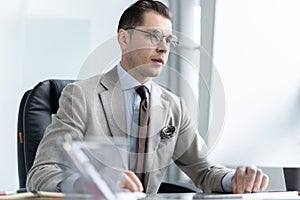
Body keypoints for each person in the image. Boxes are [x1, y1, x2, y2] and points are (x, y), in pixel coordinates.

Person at [26, 0, 268, 194]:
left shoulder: (174, 107)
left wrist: (233, 179)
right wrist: (91, 183)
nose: (163, 48)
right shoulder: (81, 96)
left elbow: (204, 171)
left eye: (169, 40)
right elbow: (41, 173)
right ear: (124, 39)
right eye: (153, 36)